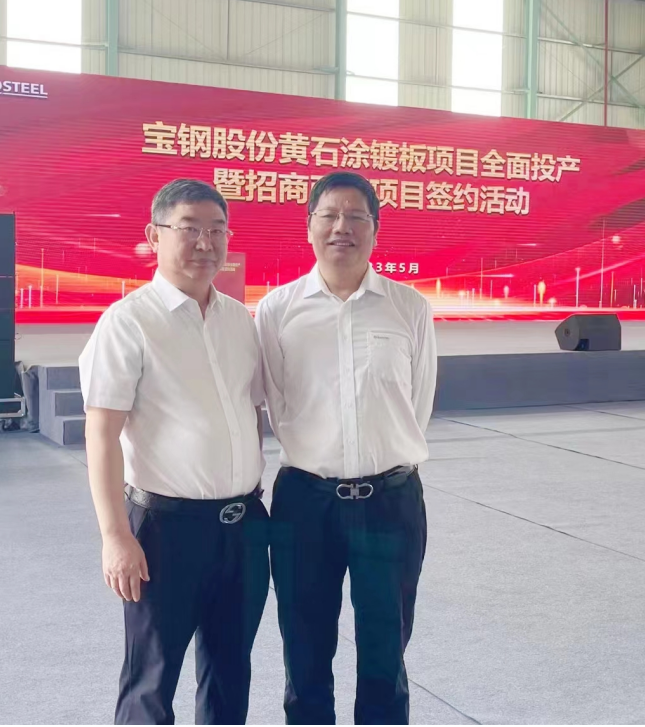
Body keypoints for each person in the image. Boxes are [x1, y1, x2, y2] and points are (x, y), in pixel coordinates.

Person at [79, 179, 269, 725]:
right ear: (154, 235)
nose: (205, 243)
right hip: (165, 531)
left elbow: (250, 410)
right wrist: (116, 536)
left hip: (243, 527)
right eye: (189, 229)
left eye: (217, 230)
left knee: (230, 672)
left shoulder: (239, 320)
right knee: (152, 679)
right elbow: (101, 433)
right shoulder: (128, 322)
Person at [256, 171, 437, 725]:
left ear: (375, 229)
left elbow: (417, 401)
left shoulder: (408, 307)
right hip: (305, 504)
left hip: (390, 501)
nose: (343, 227)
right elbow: (275, 400)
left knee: (386, 649)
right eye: (330, 215)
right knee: (305, 647)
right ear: (309, 226)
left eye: (357, 216)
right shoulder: (278, 310)